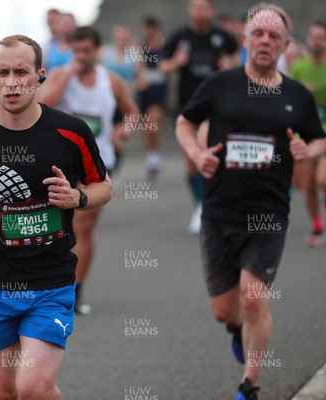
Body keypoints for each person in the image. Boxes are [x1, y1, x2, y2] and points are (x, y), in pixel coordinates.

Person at [0, 34, 112, 399]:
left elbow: (104, 187)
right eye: (3, 72)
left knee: (33, 387)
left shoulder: (71, 132)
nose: (12, 82)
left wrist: (77, 197)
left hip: (50, 282)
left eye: (22, 72)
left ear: (40, 75)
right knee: (1, 391)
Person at [176, 4, 325, 399]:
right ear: (244, 39)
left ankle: (250, 385)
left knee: (254, 300)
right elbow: (184, 122)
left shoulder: (297, 96)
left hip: (269, 212)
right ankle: (237, 331)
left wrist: (307, 152)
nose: (264, 41)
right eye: (257, 33)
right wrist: (196, 154)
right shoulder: (220, 85)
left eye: (274, 36)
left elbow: (318, 137)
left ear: (285, 45)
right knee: (225, 311)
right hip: (220, 211)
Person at [39, 26, 139, 314]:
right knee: (60, 226)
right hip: (62, 161)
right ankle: (52, 285)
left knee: (84, 226)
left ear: (97, 50)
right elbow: (43, 104)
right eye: (77, 50)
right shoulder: (61, 75)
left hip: (99, 161)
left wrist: (126, 128)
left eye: (87, 51)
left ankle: (74, 292)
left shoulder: (113, 81)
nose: (82, 56)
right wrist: (67, 73)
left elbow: (132, 110)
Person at [160, 0, 239, 234]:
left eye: (204, 7)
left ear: (211, 10)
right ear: (190, 10)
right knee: (191, 162)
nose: (200, 11)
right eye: (196, 7)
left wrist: (229, 66)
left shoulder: (223, 37)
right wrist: (177, 62)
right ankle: (200, 206)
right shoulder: (179, 37)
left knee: (212, 153)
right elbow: (162, 66)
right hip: (189, 106)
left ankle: (213, 205)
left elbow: (240, 63)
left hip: (218, 106)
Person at [290, 21, 326, 247]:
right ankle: (317, 225)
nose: (316, 41)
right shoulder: (299, 68)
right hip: (306, 131)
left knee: (324, 178)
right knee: (308, 184)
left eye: (321, 37)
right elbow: (290, 101)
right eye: (313, 36)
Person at [137, 16, 168, 180]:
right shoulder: (140, 47)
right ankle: (152, 159)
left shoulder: (164, 46)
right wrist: (140, 77)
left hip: (158, 91)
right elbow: (139, 66)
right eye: (146, 28)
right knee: (147, 130)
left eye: (152, 27)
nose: (149, 31)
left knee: (152, 125)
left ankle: (155, 158)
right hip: (144, 92)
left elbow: (167, 66)